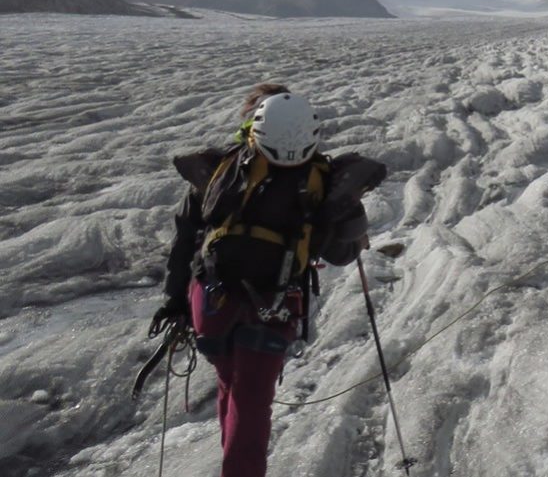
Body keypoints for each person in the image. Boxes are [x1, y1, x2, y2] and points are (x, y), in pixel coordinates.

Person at [148, 84, 386, 477]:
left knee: (233, 386)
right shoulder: (321, 181)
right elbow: (340, 254)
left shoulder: (219, 172)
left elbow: (185, 238)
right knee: (251, 403)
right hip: (272, 308)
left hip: (208, 303)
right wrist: (353, 235)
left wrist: (174, 299)